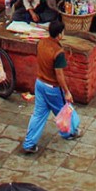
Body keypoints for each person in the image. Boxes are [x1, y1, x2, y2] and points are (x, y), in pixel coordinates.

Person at [21, 17, 75, 154]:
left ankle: (29, 144)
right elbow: (59, 75)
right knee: (63, 111)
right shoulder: (58, 52)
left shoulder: (42, 43)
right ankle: (69, 132)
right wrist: (67, 91)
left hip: (40, 84)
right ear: (60, 34)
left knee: (38, 114)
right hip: (53, 88)